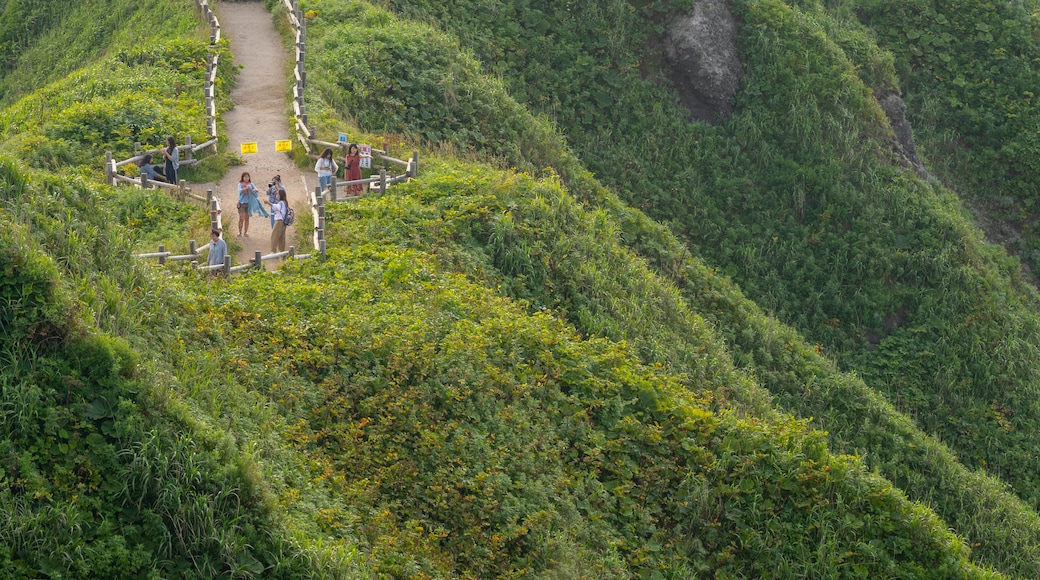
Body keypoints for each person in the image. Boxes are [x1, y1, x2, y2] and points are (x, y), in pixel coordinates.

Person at [237, 172, 267, 237]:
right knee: (241, 218)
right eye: (245, 177)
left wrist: (254, 190)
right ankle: (239, 232)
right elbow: (240, 191)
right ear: (242, 178)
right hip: (242, 203)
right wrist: (246, 188)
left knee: (247, 218)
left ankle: (245, 232)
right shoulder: (240, 184)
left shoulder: (251, 184)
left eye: (247, 177)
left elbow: (256, 189)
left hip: (249, 203)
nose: (246, 178)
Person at [265, 188, 288, 253]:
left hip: (279, 221)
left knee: (274, 236)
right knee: (281, 237)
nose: (276, 195)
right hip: (283, 222)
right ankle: (281, 251)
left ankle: (273, 251)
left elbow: (277, 207)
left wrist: (269, 203)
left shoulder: (280, 202)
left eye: (278, 194)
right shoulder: (285, 202)